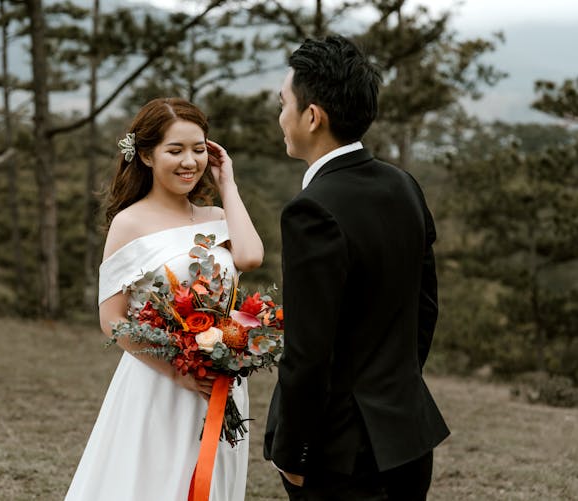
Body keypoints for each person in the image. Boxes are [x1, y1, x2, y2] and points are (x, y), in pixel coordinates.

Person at [263, 35, 450, 500]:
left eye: (284, 103)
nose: (280, 115)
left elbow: (308, 353)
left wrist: (296, 454)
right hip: (407, 440)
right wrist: (393, 392)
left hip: (341, 459)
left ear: (312, 116)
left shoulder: (311, 210)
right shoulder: (403, 184)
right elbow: (426, 310)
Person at [64, 97, 264, 501]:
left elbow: (250, 257)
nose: (189, 161)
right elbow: (113, 320)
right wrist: (176, 370)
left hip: (221, 384)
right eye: (175, 150)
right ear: (146, 156)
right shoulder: (129, 222)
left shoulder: (216, 218)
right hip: (159, 382)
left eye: (198, 149)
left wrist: (228, 185)